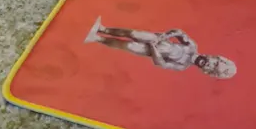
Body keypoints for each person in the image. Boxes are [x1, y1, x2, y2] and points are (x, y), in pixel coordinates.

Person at [85, 17, 236, 79]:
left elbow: (161, 63)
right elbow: (179, 32)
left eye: (212, 68)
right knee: (133, 33)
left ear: (208, 72)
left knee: (128, 45)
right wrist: (163, 37)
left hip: (150, 50)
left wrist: (153, 48)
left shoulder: (182, 66)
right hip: (160, 41)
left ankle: (97, 38)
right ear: (214, 57)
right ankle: (104, 29)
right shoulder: (191, 46)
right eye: (215, 62)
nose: (210, 64)